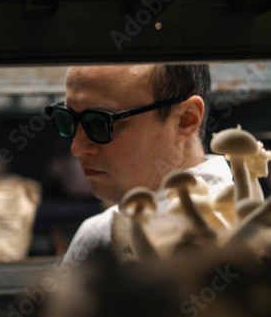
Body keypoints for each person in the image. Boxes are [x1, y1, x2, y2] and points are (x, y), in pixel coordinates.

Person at [45, 64, 233, 265]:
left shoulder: (240, 234)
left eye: (101, 122)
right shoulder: (98, 234)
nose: (77, 147)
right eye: (67, 119)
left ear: (185, 120)